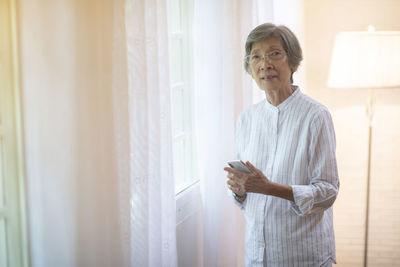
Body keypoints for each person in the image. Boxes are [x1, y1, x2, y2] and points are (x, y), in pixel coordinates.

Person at [224, 23, 340, 267]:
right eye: (256, 57)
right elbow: (244, 195)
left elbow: (328, 191)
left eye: (274, 53)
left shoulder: (315, 116)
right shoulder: (247, 119)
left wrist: (269, 188)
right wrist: (238, 188)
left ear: (293, 61)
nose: (265, 64)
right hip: (257, 255)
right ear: (250, 68)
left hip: (302, 255)